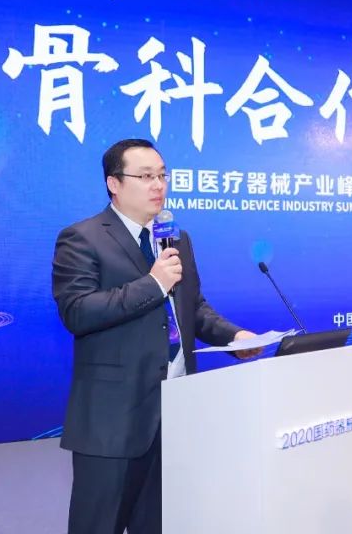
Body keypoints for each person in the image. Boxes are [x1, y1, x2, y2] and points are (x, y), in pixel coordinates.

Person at [52, 138, 260, 534]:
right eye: (146, 176)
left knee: (160, 523)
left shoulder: (176, 238)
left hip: (176, 409)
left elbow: (192, 308)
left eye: (162, 175)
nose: (158, 185)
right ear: (114, 183)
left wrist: (235, 337)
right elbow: (77, 311)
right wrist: (153, 283)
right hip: (114, 418)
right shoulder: (82, 238)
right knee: (99, 524)